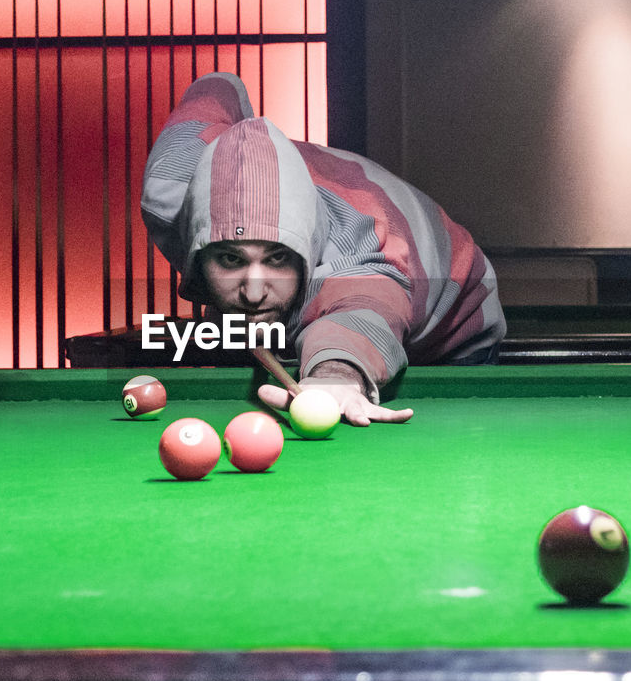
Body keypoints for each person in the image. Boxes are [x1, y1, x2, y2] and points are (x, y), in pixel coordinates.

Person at [141, 72, 505, 426]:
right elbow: (217, 86)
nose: (253, 293)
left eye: (278, 257)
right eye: (231, 259)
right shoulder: (169, 188)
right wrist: (258, 153)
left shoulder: (361, 246)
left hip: (452, 323)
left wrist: (335, 375)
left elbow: (363, 312)